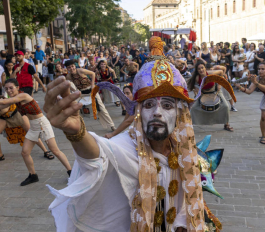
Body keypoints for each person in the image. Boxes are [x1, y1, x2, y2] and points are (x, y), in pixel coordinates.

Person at [44, 36, 221, 232]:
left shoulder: (185, 151)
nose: (157, 112)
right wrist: (77, 133)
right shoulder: (125, 146)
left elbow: (188, 196)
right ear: (138, 113)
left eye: (168, 105)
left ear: (181, 114)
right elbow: (99, 155)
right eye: (149, 104)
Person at [0, 79, 72, 186]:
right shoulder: (13, 99)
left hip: (42, 124)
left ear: (17, 87)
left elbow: (3, 102)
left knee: (55, 151)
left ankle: (71, 172)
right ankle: (33, 175)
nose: (9, 90)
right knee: (25, 152)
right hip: (34, 127)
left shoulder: (24, 96)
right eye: (6, 88)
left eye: (11, 88)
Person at [235, 62, 265, 144]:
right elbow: (249, 91)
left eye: (263, 69)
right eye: (259, 69)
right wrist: (240, 87)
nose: (260, 71)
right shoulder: (257, 78)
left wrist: (255, 82)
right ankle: (263, 136)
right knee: (264, 116)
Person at [64, 60, 115, 131]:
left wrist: (92, 85)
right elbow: (68, 84)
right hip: (82, 93)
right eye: (69, 67)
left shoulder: (80, 70)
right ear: (67, 68)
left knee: (101, 108)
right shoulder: (68, 76)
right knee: (74, 107)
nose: (71, 68)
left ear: (74, 66)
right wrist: (74, 90)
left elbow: (93, 74)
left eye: (72, 66)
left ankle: (111, 125)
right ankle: (80, 127)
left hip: (91, 91)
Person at [188, 60, 235, 132]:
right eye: (199, 69)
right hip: (203, 93)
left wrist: (219, 84)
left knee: (226, 106)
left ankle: (226, 124)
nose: (201, 70)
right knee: (193, 108)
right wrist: (196, 91)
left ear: (205, 68)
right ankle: (190, 126)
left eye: (202, 68)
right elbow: (194, 86)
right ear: (197, 70)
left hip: (215, 91)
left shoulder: (210, 73)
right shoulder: (197, 78)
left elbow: (221, 72)